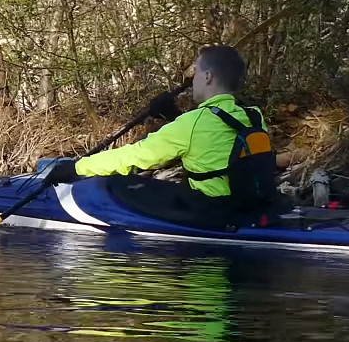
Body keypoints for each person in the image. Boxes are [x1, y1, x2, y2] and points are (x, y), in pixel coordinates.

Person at [42, 44, 279, 219]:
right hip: (249, 205)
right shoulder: (253, 115)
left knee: (119, 183)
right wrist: (172, 116)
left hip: (212, 212)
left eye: (196, 73)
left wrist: (76, 167)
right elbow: (216, 141)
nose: (193, 79)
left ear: (208, 77)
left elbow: (135, 156)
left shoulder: (193, 123)